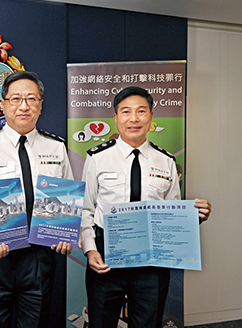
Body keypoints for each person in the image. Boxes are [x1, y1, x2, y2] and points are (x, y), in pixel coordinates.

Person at [80, 86, 212, 328]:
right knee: (101, 321)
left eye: (141, 111)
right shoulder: (97, 158)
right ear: (116, 118)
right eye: (126, 111)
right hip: (107, 254)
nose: (134, 119)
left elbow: (172, 213)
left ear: (151, 116)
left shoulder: (166, 161)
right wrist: (90, 250)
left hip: (152, 259)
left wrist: (194, 217)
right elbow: (86, 209)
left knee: (148, 323)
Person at [0, 71, 74, 327]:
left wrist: (64, 232)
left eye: (31, 99)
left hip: (40, 256)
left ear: (40, 105)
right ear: (3, 104)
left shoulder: (56, 147)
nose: (24, 106)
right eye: (16, 98)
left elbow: (67, 200)